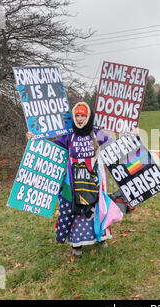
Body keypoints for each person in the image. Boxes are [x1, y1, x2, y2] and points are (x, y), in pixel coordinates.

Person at [26, 102, 112, 258]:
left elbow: (115, 145)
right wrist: (34, 139)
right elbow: (51, 149)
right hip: (73, 181)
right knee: (75, 211)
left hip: (93, 180)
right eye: (77, 115)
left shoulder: (96, 133)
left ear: (88, 116)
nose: (79, 119)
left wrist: (133, 134)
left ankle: (101, 237)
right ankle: (76, 244)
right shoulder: (69, 135)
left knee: (96, 209)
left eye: (83, 115)